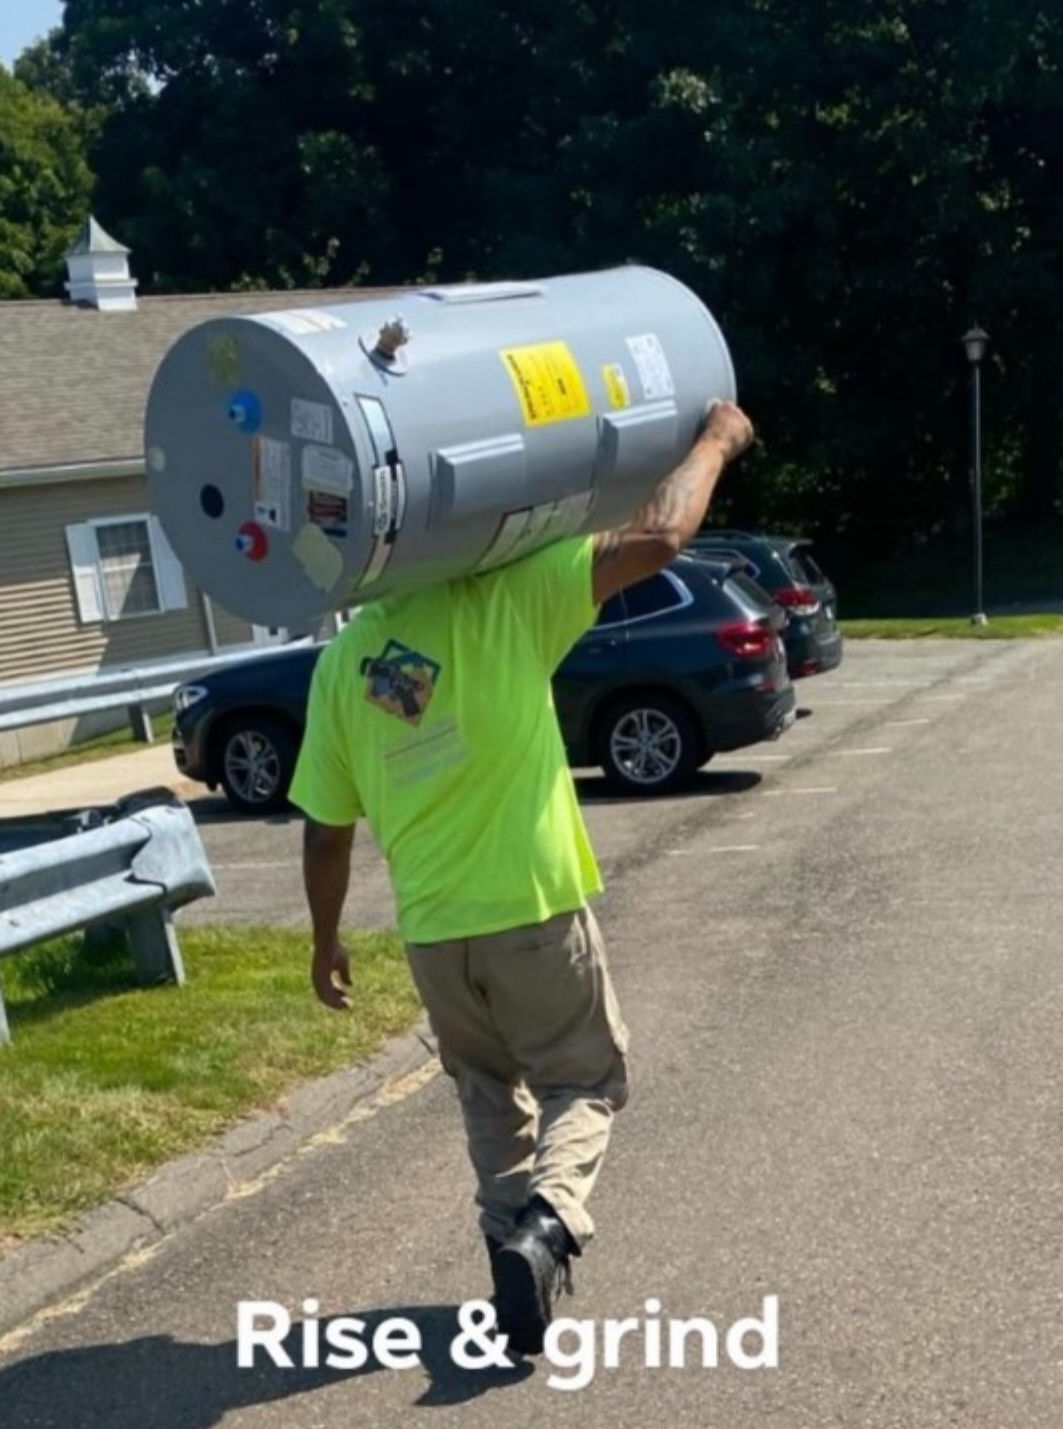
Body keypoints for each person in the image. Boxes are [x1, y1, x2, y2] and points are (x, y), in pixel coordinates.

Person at [289, 399, 755, 1353]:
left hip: (433, 931)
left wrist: (324, 939)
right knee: (585, 1078)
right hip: (531, 908)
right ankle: (545, 1226)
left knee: (485, 1091)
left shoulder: (342, 662)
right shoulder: (509, 594)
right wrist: (716, 440)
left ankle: (512, 1269)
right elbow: (658, 537)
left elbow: (325, 833)